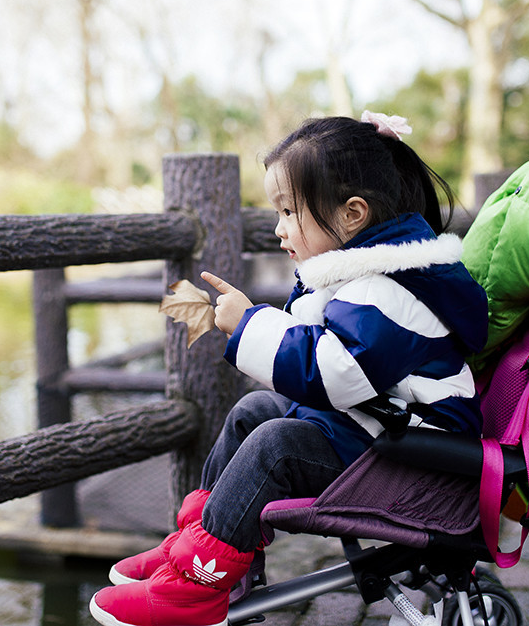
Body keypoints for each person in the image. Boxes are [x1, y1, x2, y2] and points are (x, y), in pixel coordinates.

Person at [89, 111, 489, 626]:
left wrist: (251, 325)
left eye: (287, 212)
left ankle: (198, 587)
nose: (278, 229)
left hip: (415, 457)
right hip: (375, 426)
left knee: (275, 446)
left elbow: (336, 371)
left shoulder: (392, 288)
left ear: (352, 215)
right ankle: (201, 554)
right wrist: (254, 323)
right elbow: (328, 354)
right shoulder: (366, 273)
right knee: (254, 411)